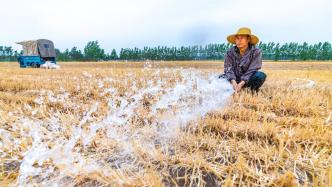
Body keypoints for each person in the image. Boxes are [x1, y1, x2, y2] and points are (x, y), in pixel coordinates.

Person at [220, 27, 266, 92]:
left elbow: (253, 69)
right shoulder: (230, 52)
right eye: (237, 38)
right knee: (220, 78)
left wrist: (241, 84)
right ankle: (233, 88)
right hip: (234, 79)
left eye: (241, 38)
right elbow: (228, 68)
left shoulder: (256, 51)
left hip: (248, 80)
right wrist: (233, 82)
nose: (239, 41)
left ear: (248, 39)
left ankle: (250, 91)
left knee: (260, 76)